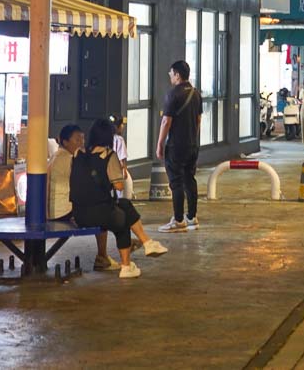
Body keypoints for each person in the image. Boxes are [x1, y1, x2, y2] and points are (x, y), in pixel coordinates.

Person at [72, 118, 168, 279]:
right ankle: (131, 259)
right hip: (100, 212)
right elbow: (119, 187)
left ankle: (144, 246)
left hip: (79, 214)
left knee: (122, 209)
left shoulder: (78, 154)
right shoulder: (109, 156)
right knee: (123, 216)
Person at [47, 125, 114, 270]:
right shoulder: (70, 159)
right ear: (65, 142)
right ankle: (102, 256)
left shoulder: (56, 156)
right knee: (100, 211)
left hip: (54, 210)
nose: (82, 143)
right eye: (77, 139)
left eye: (83, 139)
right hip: (64, 211)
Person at [156, 61, 202, 233]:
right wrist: (193, 138)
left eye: (171, 73)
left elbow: (166, 121)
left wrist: (160, 144)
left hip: (176, 146)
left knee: (176, 182)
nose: (170, 76)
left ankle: (178, 220)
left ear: (177, 75)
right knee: (190, 179)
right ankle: (192, 217)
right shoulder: (196, 93)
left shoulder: (173, 94)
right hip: (192, 145)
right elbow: (198, 120)